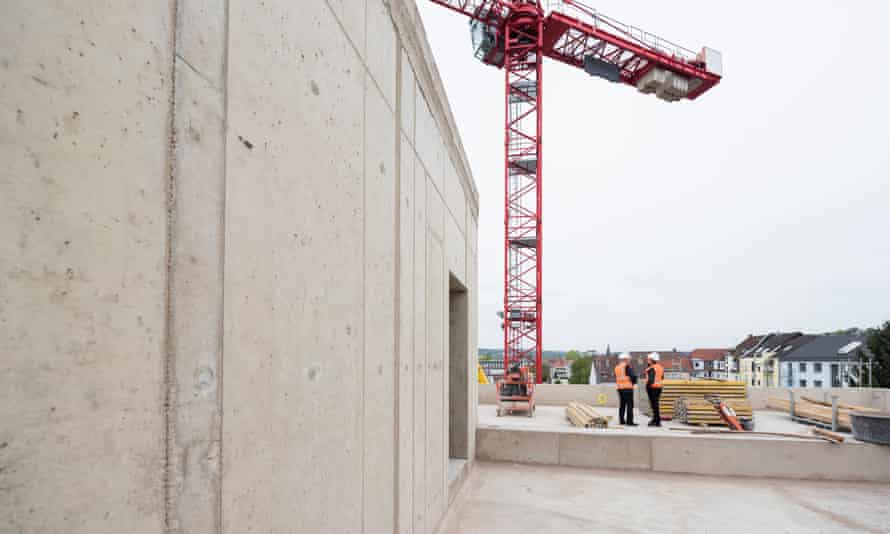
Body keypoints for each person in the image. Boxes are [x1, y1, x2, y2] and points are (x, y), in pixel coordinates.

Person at [614, 352, 638, 426]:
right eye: (629, 359)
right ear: (626, 359)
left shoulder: (617, 367)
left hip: (620, 388)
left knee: (622, 405)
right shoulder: (627, 367)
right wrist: (633, 382)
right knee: (630, 405)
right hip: (627, 388)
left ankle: (621, 421)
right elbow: (633, 377)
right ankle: (629, 421)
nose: (629, 361)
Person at [645, 352, 665, 427]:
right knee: (655, 405)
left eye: (648, 359)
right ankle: (656, 420)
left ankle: (657, 421)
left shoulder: (651, 368)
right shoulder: (660, 367)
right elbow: (662, 378)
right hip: (659, 388)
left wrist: (647, 386)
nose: (647, 360)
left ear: (652, 360)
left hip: (652, 388)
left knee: (654, 405)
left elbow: (651, 380)